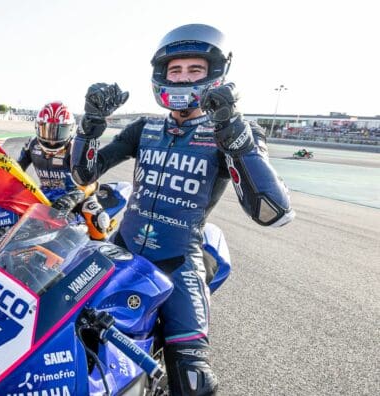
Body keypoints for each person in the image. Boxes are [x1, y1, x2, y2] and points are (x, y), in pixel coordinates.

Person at [70, 24, 295, 395]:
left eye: (195, 70)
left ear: (216, 75)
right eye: (175, 70)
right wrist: (90, 125)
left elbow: (273, 212)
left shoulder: (236, 131)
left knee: (194, 381)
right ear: (161, 75)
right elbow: (83, 173)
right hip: (121, 251)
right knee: (63, 334)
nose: (183, 78)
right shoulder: (144, 128)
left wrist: (235, 134)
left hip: (179, 263)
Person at [19, 101, 114, 240]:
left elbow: (92, 181)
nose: (51, 139)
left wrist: (74, 196)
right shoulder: (32, 145)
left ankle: (103, 251)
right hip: (45, 194)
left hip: (77, 197)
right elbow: (16, 168)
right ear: (37, 127)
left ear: (69, 129)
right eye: (46, 129)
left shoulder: (77, 148)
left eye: (59, 130)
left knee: (96, 217)